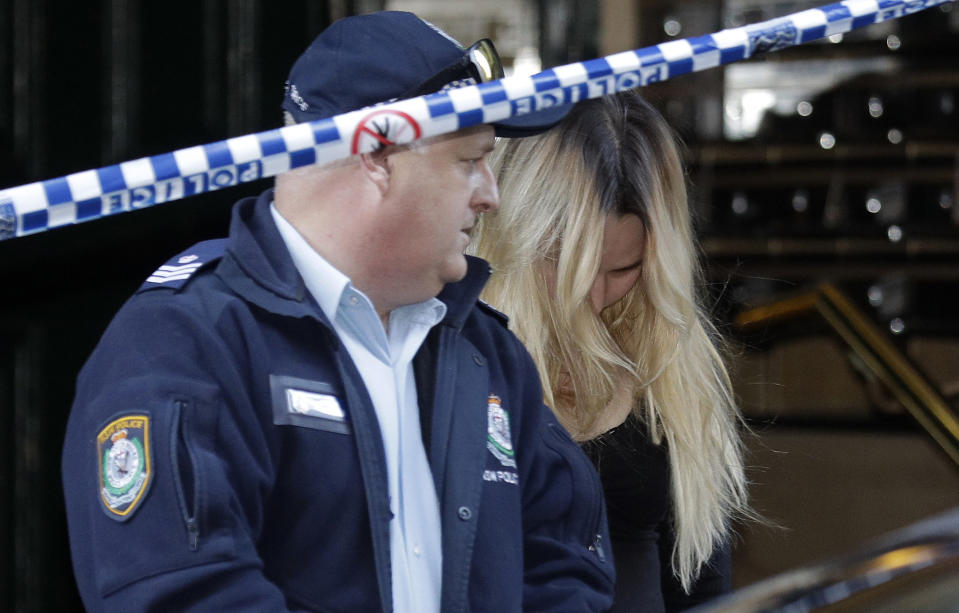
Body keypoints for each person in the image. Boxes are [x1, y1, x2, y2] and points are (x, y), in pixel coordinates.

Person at [60, 12, 615, 613]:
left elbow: (567, 567)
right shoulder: (186, 342)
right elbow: (181, 592)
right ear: (376, 154)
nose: (490, 193)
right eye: (468, 161)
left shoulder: (482, 350)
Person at [470, 89, 751, 612]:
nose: (592, 297)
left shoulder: (667, 366)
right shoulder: (453, 362)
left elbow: (703, 586)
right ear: (514, 235)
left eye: (622, 271)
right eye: (567, 265)